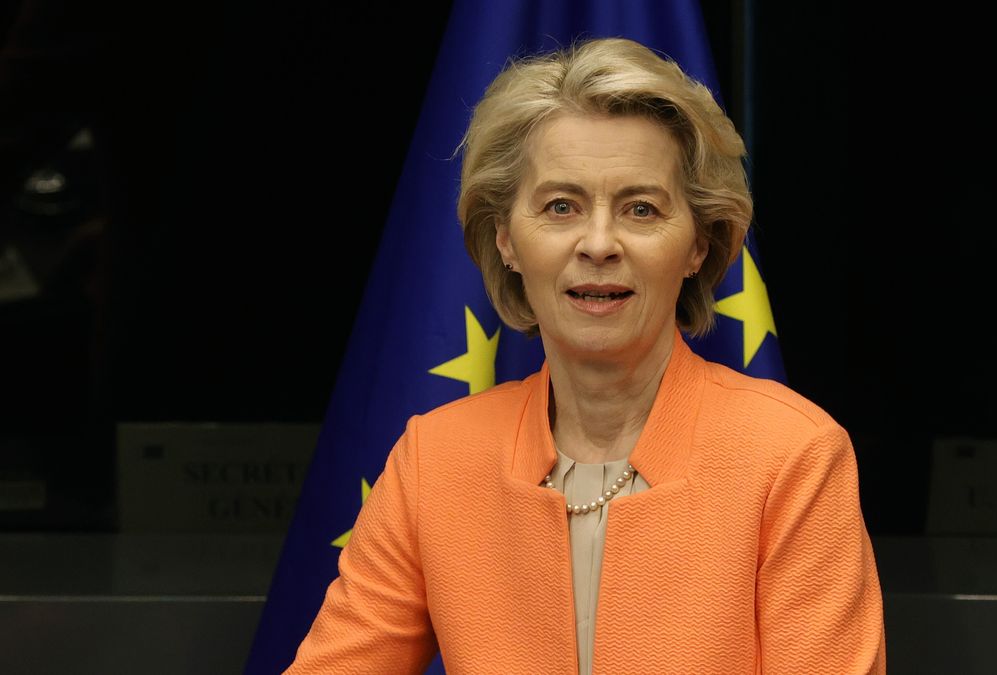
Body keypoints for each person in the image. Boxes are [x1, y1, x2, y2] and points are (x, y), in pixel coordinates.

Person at [286, 37, 885, 674]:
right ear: (506, 238)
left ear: (698, 245)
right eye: (561, 206)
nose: (598, 243)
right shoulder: (435, 461)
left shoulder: (790, 454)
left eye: (641, 209)